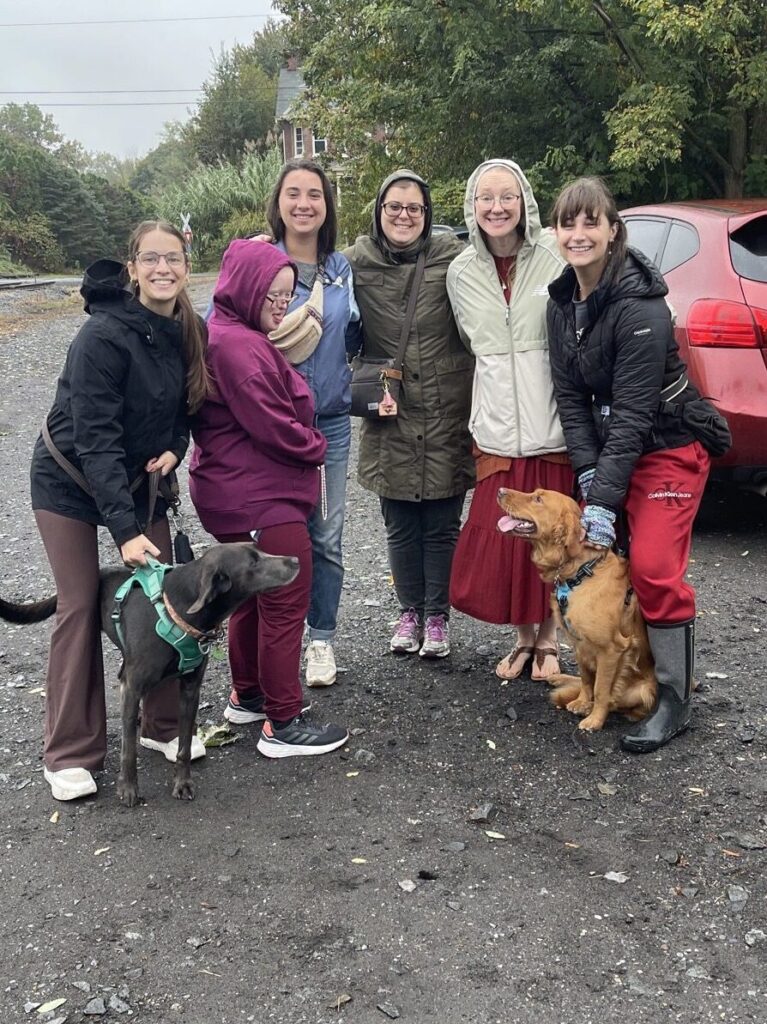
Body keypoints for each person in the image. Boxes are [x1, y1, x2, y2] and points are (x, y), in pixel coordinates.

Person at [30, 220, 209, 801]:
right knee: (81, 602)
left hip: (138, 480)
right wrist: (126, 533)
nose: (164, 269)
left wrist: (173, 449)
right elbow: (96, 439)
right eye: (151, 259)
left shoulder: (185, 328)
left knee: (164, 596)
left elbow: (185, 409)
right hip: (68, 481)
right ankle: (71, 752)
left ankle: (160, 726)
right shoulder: (101, 337)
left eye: (174, 259)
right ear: (131, 267)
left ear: (186, 265)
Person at [546, 176, 711, 753]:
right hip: (616, 454)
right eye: (569, 223)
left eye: (591, 222)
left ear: (613, 231)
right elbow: (571, 400)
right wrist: (590, 477)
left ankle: (673, 698)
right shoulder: (561, 303)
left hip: (668, 449)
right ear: (556, 232)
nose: (579, 233)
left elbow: (636, 413)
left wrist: (601, 502)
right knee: (618, 577)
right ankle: (620, 673)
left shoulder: (642, 306)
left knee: (654, 569)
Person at [189, 239, 348, 757]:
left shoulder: (227, 332)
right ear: (248, 289)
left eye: (287, 294)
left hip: (234, 490)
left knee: (246, 598)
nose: (282, 304)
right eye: (274, 295)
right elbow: (274, 424)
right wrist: (316, 445)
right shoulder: (241, 347)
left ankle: (249, 693)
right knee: (284, 598)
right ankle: (283, 721)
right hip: (260, 493)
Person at [446, 159, 572, 681]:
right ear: (473, 207)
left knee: (555, 537)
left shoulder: (554, 257)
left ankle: (550, 638)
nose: (497, 208)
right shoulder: (460, 272)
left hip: (552, 426)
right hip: (497, 426)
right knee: (507, 540)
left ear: (524, 202)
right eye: (486, 198)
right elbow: (469, 346)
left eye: (507, 197)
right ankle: (523, 638)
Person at [345, 170, 474, 658]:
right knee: (399, 520)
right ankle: (409, 611)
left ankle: (438, 616)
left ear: (428, 214)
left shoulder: (453, 259)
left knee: (442, 521)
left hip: (445, 407)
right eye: (394, 207)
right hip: (389, 408)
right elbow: (306, 271)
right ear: (379, 212)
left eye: (413, 208)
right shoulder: (356, 262)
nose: (403, 215)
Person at [252, 158, 357, 691]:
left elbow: (355, 335)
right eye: (293, 193)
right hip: (270, 424)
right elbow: (222, 330)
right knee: (272, 535)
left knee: (327, 536)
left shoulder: (341, 269)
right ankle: (273, 642)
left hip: (331, 425)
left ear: (326, 205)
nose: (304, 204)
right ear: (278, 202)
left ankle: (321, 639)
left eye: (314, 194)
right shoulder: (257, 261)